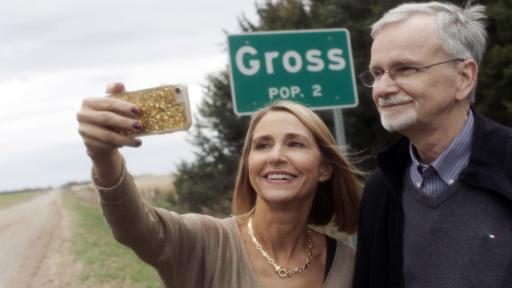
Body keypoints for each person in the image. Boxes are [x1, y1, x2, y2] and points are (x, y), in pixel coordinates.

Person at [76, 88, 362, 288]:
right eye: (262, 145)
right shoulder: (204, 242)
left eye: (295, 143)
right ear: (249, 164)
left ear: (325, 168)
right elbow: (135, 227)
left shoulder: (348, 264)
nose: (276, 156)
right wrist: (103, 156)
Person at [354, 1, 512, 288]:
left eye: (404, 69)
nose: (382, 89)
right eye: (377, 74)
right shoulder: (381, 191)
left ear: (463, 77)